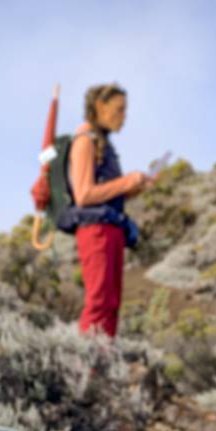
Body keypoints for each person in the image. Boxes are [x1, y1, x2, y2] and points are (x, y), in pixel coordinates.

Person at [62, 83, 150, 337]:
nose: (124, 116)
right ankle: (86, 369)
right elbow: (84, 194)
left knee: (111, 304)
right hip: (95, 232)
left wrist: (135, 187)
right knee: (99, 302)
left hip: (111, 230)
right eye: (119, 109)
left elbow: (105, 193)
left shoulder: (105, 146)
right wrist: (126, 181)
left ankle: (103, 365)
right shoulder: (85, 141)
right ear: (100, 107)